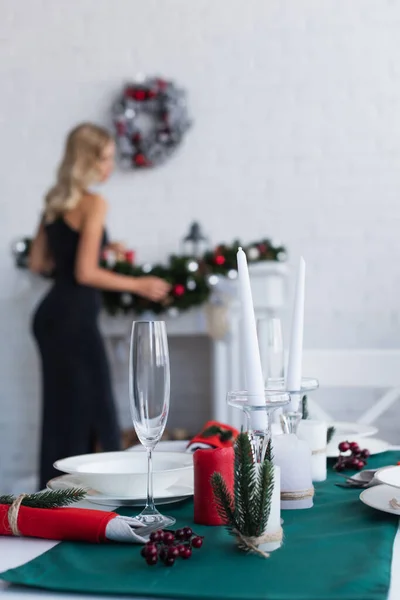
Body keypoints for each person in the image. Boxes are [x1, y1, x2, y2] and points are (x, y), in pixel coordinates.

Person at [29, 123, 170, 489]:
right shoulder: (94, 203)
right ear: (87, 161)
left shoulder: (54, 202)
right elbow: (85, 272)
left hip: (49, 317)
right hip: (74, 318)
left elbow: (39, 263)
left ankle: (55, 493)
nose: (110, 166)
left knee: (62, 410)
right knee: (94, 407)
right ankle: (95, 494)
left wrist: (101, 249)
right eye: (105, 158)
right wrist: (139, 283)